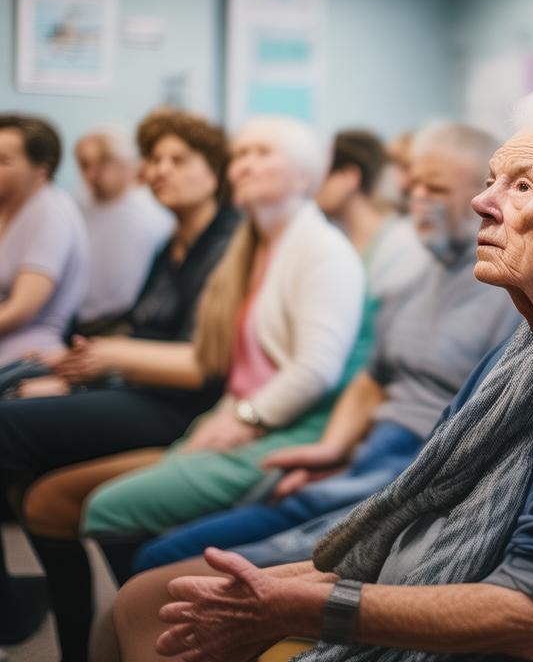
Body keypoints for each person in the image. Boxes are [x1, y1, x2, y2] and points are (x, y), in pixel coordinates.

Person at [116, 90, 533, 662]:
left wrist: (299, 607)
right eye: (492, 181)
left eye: (522, 187)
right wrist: (272, 596)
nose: (481, 203)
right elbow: (425, 515)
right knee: (148, 600)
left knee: (157, 607)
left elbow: (532, 618)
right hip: (442, 578)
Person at [129, 122, 519, 574]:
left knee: (165, 562)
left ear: (486, 195)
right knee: (168, 549)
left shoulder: (507, 296)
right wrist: (334, 449)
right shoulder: (415, 276)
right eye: (413, 185)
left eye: (436, 189)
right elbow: (372, 379)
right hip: (366, 452)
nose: (417, 199)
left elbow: (482, 439)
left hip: (415, 468)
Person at [35, 117, 364, 584]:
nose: (244, 165)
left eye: (263, 153)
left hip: (284, 430)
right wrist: (225, 417)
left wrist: (245, 418)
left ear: (304, 174)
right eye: (241, 154)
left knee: (109, 508)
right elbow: (243, 368)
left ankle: (143, 606)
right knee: (82, 500)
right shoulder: (257, 245)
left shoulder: (322, 250)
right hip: (241, 415)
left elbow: (316, 369)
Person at [0, 109, 235, 655]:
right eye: (154, 159)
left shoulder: (225, 244)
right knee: (34, 481)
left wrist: (107, 360)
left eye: (178, 159)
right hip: (138, 390)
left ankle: (40, 619)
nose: (160, 169)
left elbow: (207, 364)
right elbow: (140, 330)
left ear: (213, 171)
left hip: (184, 406)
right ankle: (69, 636)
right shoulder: (173, 244)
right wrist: (77, 369)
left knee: (5, 426)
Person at [0, 114, 89, 366]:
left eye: (3, 160)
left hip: (27, 352)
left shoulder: (50, 212)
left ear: (41, 170)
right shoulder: (7, 206)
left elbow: (22, 309)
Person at [73, 125, 174, 334]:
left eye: (101, 165)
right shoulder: (78, 206)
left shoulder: (153, 212)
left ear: (124, 163)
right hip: (78, 319)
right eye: (84, 166)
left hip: (124, 323)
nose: (91, 174)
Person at [314, 129, 429, 304]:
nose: (314, 188)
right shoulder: (334, 239)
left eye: (322, 176)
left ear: (350, 176)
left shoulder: (402, 244)